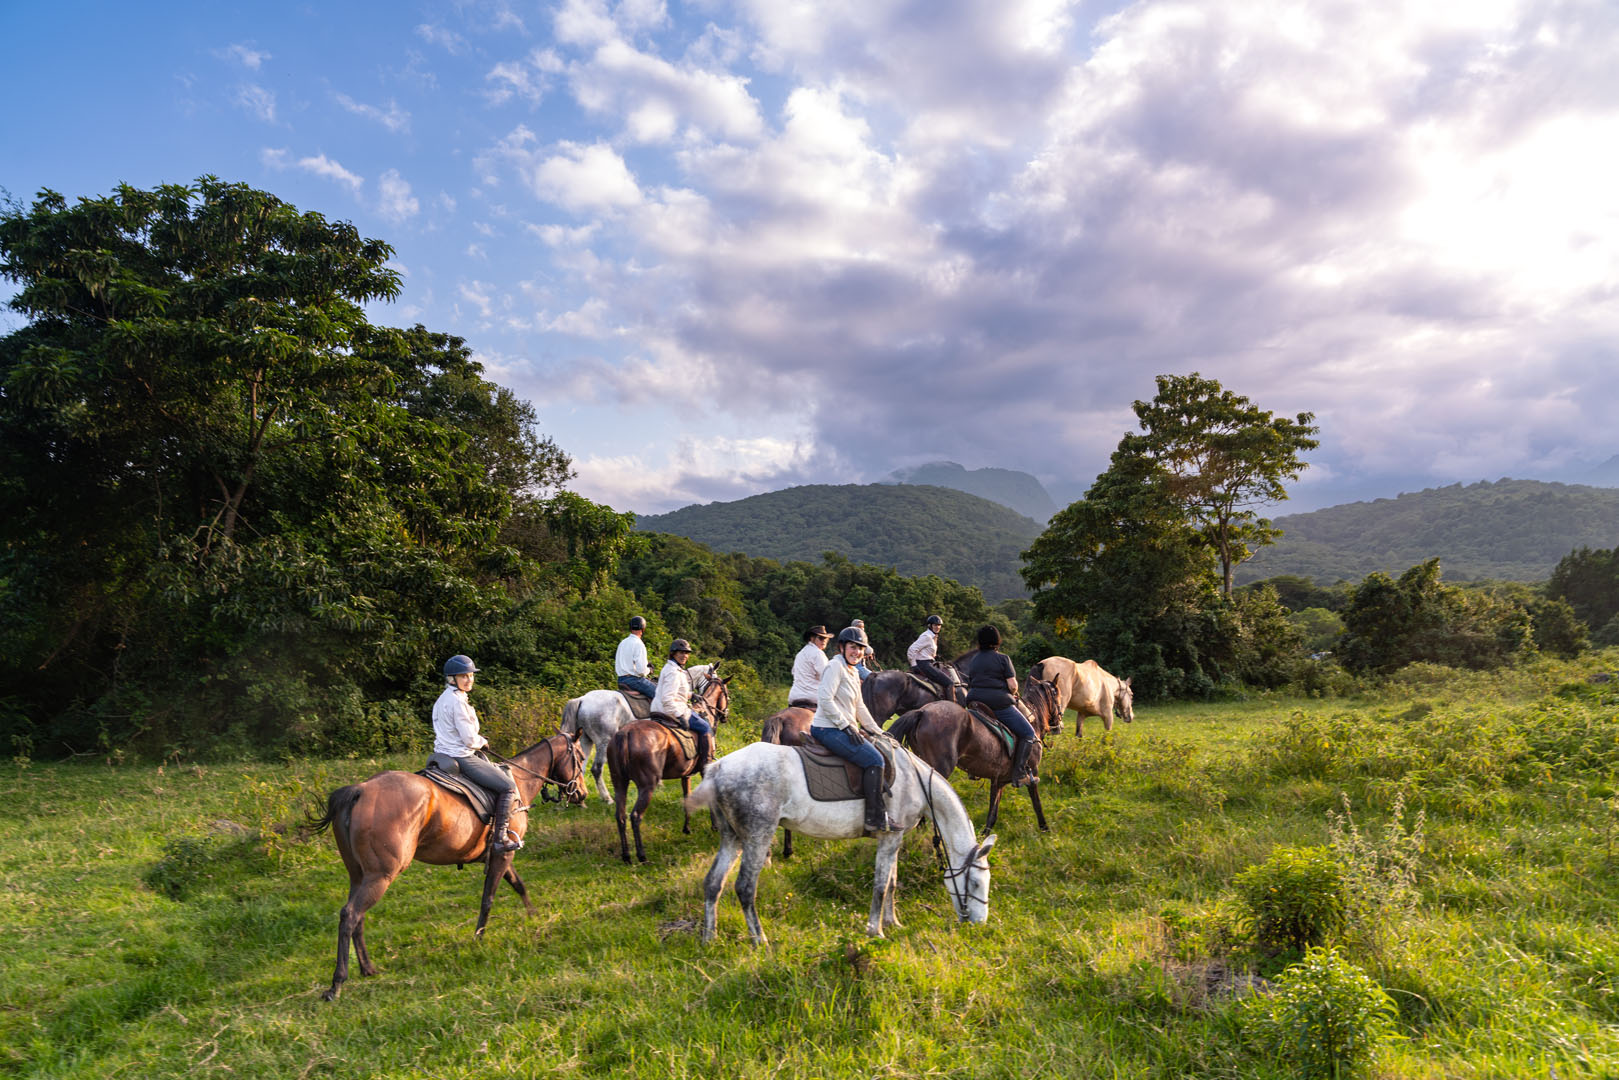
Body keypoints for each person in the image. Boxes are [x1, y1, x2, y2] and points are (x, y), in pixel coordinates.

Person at [432, 654, 523, 852]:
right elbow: (470, 740)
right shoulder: (457, 702)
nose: (469, 679)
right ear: (452, 679)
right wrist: (483, 742)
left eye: (471, 675)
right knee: (507, 787)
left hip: (442, 754)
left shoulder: (443, 699)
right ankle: (500, 838)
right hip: (461, 755)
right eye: (464, 676)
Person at [811, 625, 894, 833]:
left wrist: (877, 731)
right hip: (827, 728)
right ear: (841, 647)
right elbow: (824, 699)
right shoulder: (835, 667)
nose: (856, 651)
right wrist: (846, 726)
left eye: (860, 648)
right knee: (875, 760)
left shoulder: (852, 670)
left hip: (842, 728)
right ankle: (874, 818)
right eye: (852, 646)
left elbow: (859, 706)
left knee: (878, 748)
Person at [961, 625, 1039, 786]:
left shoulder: (974, 660)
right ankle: (1019, 774)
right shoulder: (1003, 659)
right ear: (997, 640)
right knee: (1028, 733)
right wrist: (1013, 690)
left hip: (974, 702)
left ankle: (974, 768)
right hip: (998, 703)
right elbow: (1012, 686)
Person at [650, 638, 715, 771]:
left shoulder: (674, 669)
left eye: (686, 653)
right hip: (671, 710)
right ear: (673, 653)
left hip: (661, 708)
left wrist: (691, 695)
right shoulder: (673, 672)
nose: (684, 656)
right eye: (681, 652)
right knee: (705, 727)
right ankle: (707, 765)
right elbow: (668, 698)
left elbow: (677, 691)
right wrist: (680, 716)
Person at [906, 614, 956, 701]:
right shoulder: (927, 637)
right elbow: (911, 650)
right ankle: (952, 707)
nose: (938, 627)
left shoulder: (933, 636)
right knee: (949, 683)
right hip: (924, 664)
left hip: (928, 662)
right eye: (935, 625)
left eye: (939, 625)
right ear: (930, 626)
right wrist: (914, 665)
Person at [789, 625, 833, 709]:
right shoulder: (818, 653)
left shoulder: (800, 654)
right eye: (821, 638)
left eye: (826, 638)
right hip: (812, 697)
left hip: (794, 696)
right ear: (812, 638)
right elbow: (826, 677)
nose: (824, 641)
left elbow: (793, 672)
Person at [615, 615, 657, 699]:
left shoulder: (622, 643)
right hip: (634, 681)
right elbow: (641, 671)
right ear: (643, 629)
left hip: (620, 680)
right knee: (660, 695)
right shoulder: (639, 644)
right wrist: (649, 670)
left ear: (630, 628)